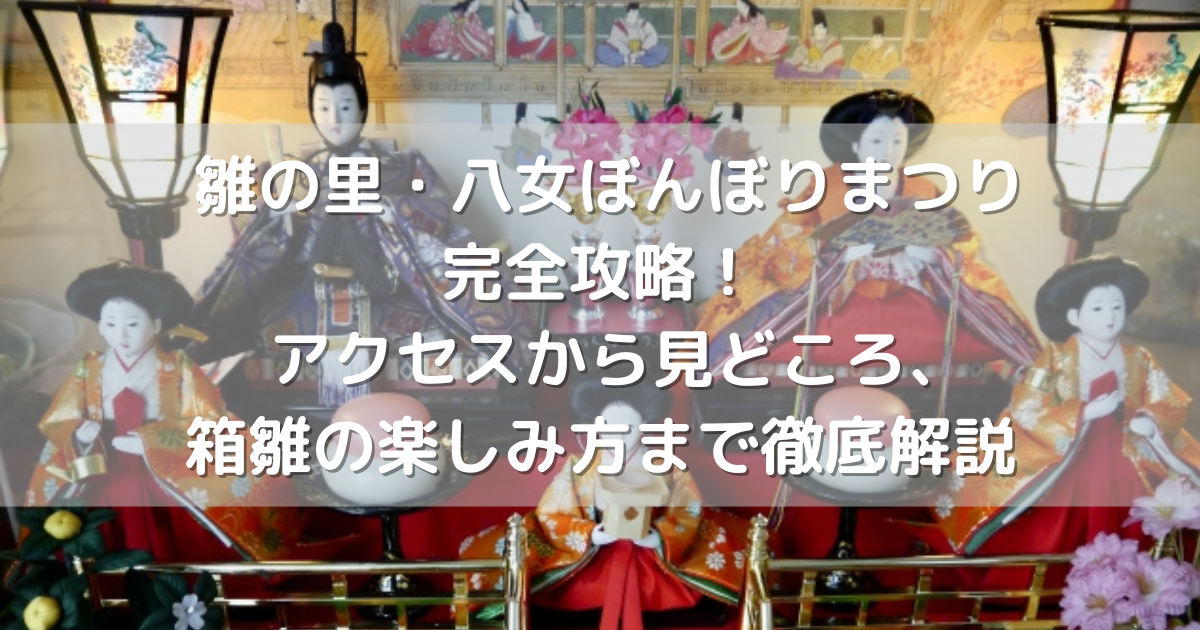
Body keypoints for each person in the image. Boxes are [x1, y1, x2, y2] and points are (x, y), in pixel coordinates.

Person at [188, 22, 537, 406]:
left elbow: (435, 209)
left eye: (344, 106)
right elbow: (262, 240)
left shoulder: (398, 167)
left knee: (434, 325)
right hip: (312, 288)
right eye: (323, 108)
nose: (335, 118)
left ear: (363, 107)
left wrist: (391, 211)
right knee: (266, 323)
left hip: (385, 284)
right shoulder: (296, 173)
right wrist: (279, 217)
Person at [694, 90, 1041, 380]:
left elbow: (962, 239)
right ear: (857, 145)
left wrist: (934, 255)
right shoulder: (826, 183)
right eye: (876, 140)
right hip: (836, 290)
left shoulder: (923, 187)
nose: (887, 150)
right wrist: (837, 253)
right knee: (760, 333)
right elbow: (786, 237)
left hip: (913, 288)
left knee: (982, 327)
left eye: (897, 140)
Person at [919, 255, 1200, 557]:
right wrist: (1083, 413)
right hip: (1071, 451)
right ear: (1074, 316)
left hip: (1125, 451)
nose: (1109, 316)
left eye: (1117, 307)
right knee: (1052, 524)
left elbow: (1167, 398)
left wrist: (1151, 420)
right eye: (1097, 308)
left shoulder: (1139, 358)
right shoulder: (1055, 359)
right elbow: (1027, 404)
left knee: (1137, 513)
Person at [25, 262, 304, 563]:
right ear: (101, 327)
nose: (122, 335)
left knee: (187, 539)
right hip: (103, 464)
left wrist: (152, 441)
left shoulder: (179, 367)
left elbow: (209, 420)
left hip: (163, 470)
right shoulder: (89, 367)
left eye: (133, 324)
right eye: (111, 325)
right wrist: (79, 435)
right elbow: (57, 419)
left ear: (156, 325)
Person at [459, 379, 748, 630]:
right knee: (553, 582)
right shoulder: (580, 466)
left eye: (628, 427)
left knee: (705, 568)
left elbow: (688, 514)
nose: (617, 434)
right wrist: (589, 534)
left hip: (652, 555)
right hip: (594, 552)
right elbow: (552, 512)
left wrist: (659, 537)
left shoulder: (669, 467)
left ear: (645, 424)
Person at [697, 0, 788, 65]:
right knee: (725, 41)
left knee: (756, 56)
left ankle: (761, 57)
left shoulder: (758, 15)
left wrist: (749, 27)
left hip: (755, 37)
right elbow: (734, 26)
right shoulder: (739, 16)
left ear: (748, 6)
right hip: (742, 37)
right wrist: (741, 28)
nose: (741, 9)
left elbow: (760, 26)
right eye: (739, 7)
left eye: (743, 6)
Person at [403, 0, 494, 61]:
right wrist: (463, 22)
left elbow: (476, 26)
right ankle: (454, 50)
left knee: (481, 41)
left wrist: (471, 27)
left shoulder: (474, 16)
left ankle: (458, 51)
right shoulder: (456, 12)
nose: (475, 7)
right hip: (454, 33)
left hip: (467, 34)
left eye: (477, 6)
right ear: (468, 3)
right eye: (474, 5)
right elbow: (450, 22)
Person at [776, 8, 844, 79]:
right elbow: (799, 54)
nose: (818, 31)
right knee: (786, 66)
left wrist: (809, 63)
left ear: (825, 29)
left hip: (826, 72)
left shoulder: (833, 43)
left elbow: (822, 64)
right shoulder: (811, 40)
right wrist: (803, 63)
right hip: (808, 68)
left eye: (821, 28)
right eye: (814, 28)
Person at [595, 3, 669, 68]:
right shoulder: (618, 24)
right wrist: (627, 54)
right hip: (622, 54)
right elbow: (615, 40)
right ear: (627, 14)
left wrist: (642, 51)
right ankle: (624, 60)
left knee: (662, 51)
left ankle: (638, 60)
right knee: (601, 51)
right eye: (630, 16)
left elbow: (653, 35)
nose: (633, 19)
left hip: (642, 53)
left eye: (636, 16)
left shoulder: (643, 23)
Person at [506, 0, 576, 61]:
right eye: (516, 6)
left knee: (553, 43)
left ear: (522, 5)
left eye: (519, 5)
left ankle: (564, 48)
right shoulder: (514, 17)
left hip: (532, 37)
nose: (518, 7)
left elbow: (530, 29)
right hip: (526, 40)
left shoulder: (526, 15)